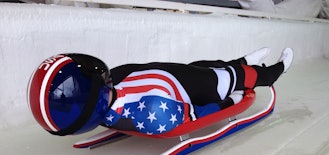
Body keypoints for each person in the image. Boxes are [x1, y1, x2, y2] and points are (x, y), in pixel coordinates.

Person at [27, 47, 293, 136]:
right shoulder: (150, 112)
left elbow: (146, 69)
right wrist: (231, 102)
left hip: (176, 74)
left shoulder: (114, 80)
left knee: (200, 67)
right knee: (223, 78)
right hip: (192, 89)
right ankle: (272, 72)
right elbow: (197, 115)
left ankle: (238, 62)